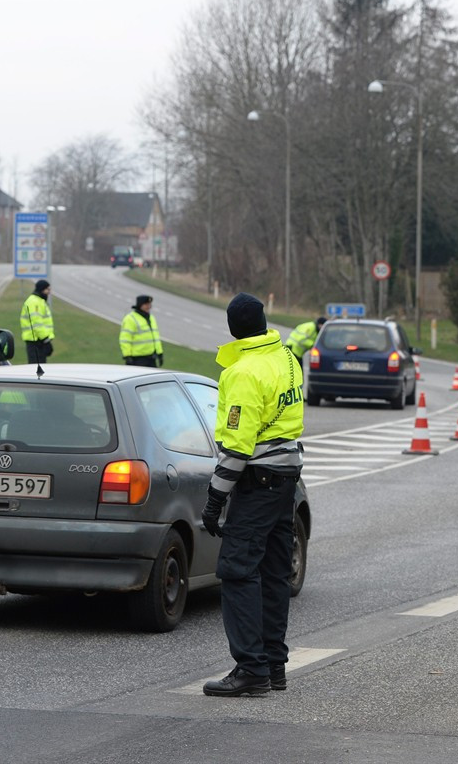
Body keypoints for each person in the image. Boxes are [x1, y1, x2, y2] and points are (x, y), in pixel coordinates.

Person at [200, 293, 305, 698]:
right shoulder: (287, 358)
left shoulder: (243, 372)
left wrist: (215, 498)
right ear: (263, 322)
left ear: (232, 329)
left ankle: (250, 669)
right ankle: (274, 665)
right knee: (275, 571)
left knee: (238, 570)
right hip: (286, 477)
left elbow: (239, 446)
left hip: (258, 479)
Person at [119, 294, 164, 367]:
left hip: (151, 358)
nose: (149, 307)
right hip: (137, 359)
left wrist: (160, 353)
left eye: (149, 304)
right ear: (140, 305)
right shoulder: (130, 319)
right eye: (146, 304)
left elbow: (155, 337)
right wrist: (127, 356)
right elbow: (125, 339)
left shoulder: (151, 318)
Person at [19, 279, 55, 365]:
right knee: (37, 370)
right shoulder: (34, 302)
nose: (49, 292)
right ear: (42, 289)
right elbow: (36, 324)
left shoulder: (38, 301)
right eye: (48, 289)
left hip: (38, 340)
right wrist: (46, 340)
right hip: (36, 341)